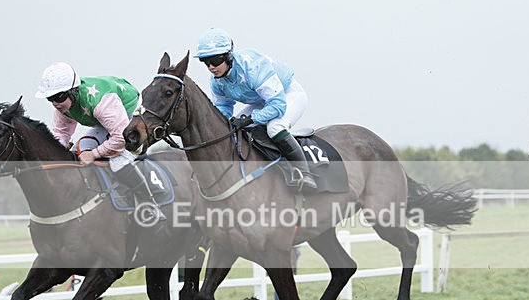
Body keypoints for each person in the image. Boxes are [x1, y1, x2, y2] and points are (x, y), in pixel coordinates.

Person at [35, 62, 165, 223]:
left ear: (73, 91)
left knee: (118, 162)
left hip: (128, 115)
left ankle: (151, 205)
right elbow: (61, 134)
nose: (55, 103)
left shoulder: (100, 103)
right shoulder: (62, 106)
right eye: (50, 98)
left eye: (59, 97)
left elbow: (120, 138)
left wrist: (94, 154)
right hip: (106, 120)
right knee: (79, 150)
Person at [194, 28, 317, 190]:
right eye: (205, 61)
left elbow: (278, 105)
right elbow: (223, 107)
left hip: (287, 95)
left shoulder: (252, 67)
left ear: (229, 56)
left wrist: (250, 119)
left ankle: (306, 174)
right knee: (232, 130)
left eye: (215, 60)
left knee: (275, 127)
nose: (211, 67)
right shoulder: (217, 81)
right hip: (261, 101)